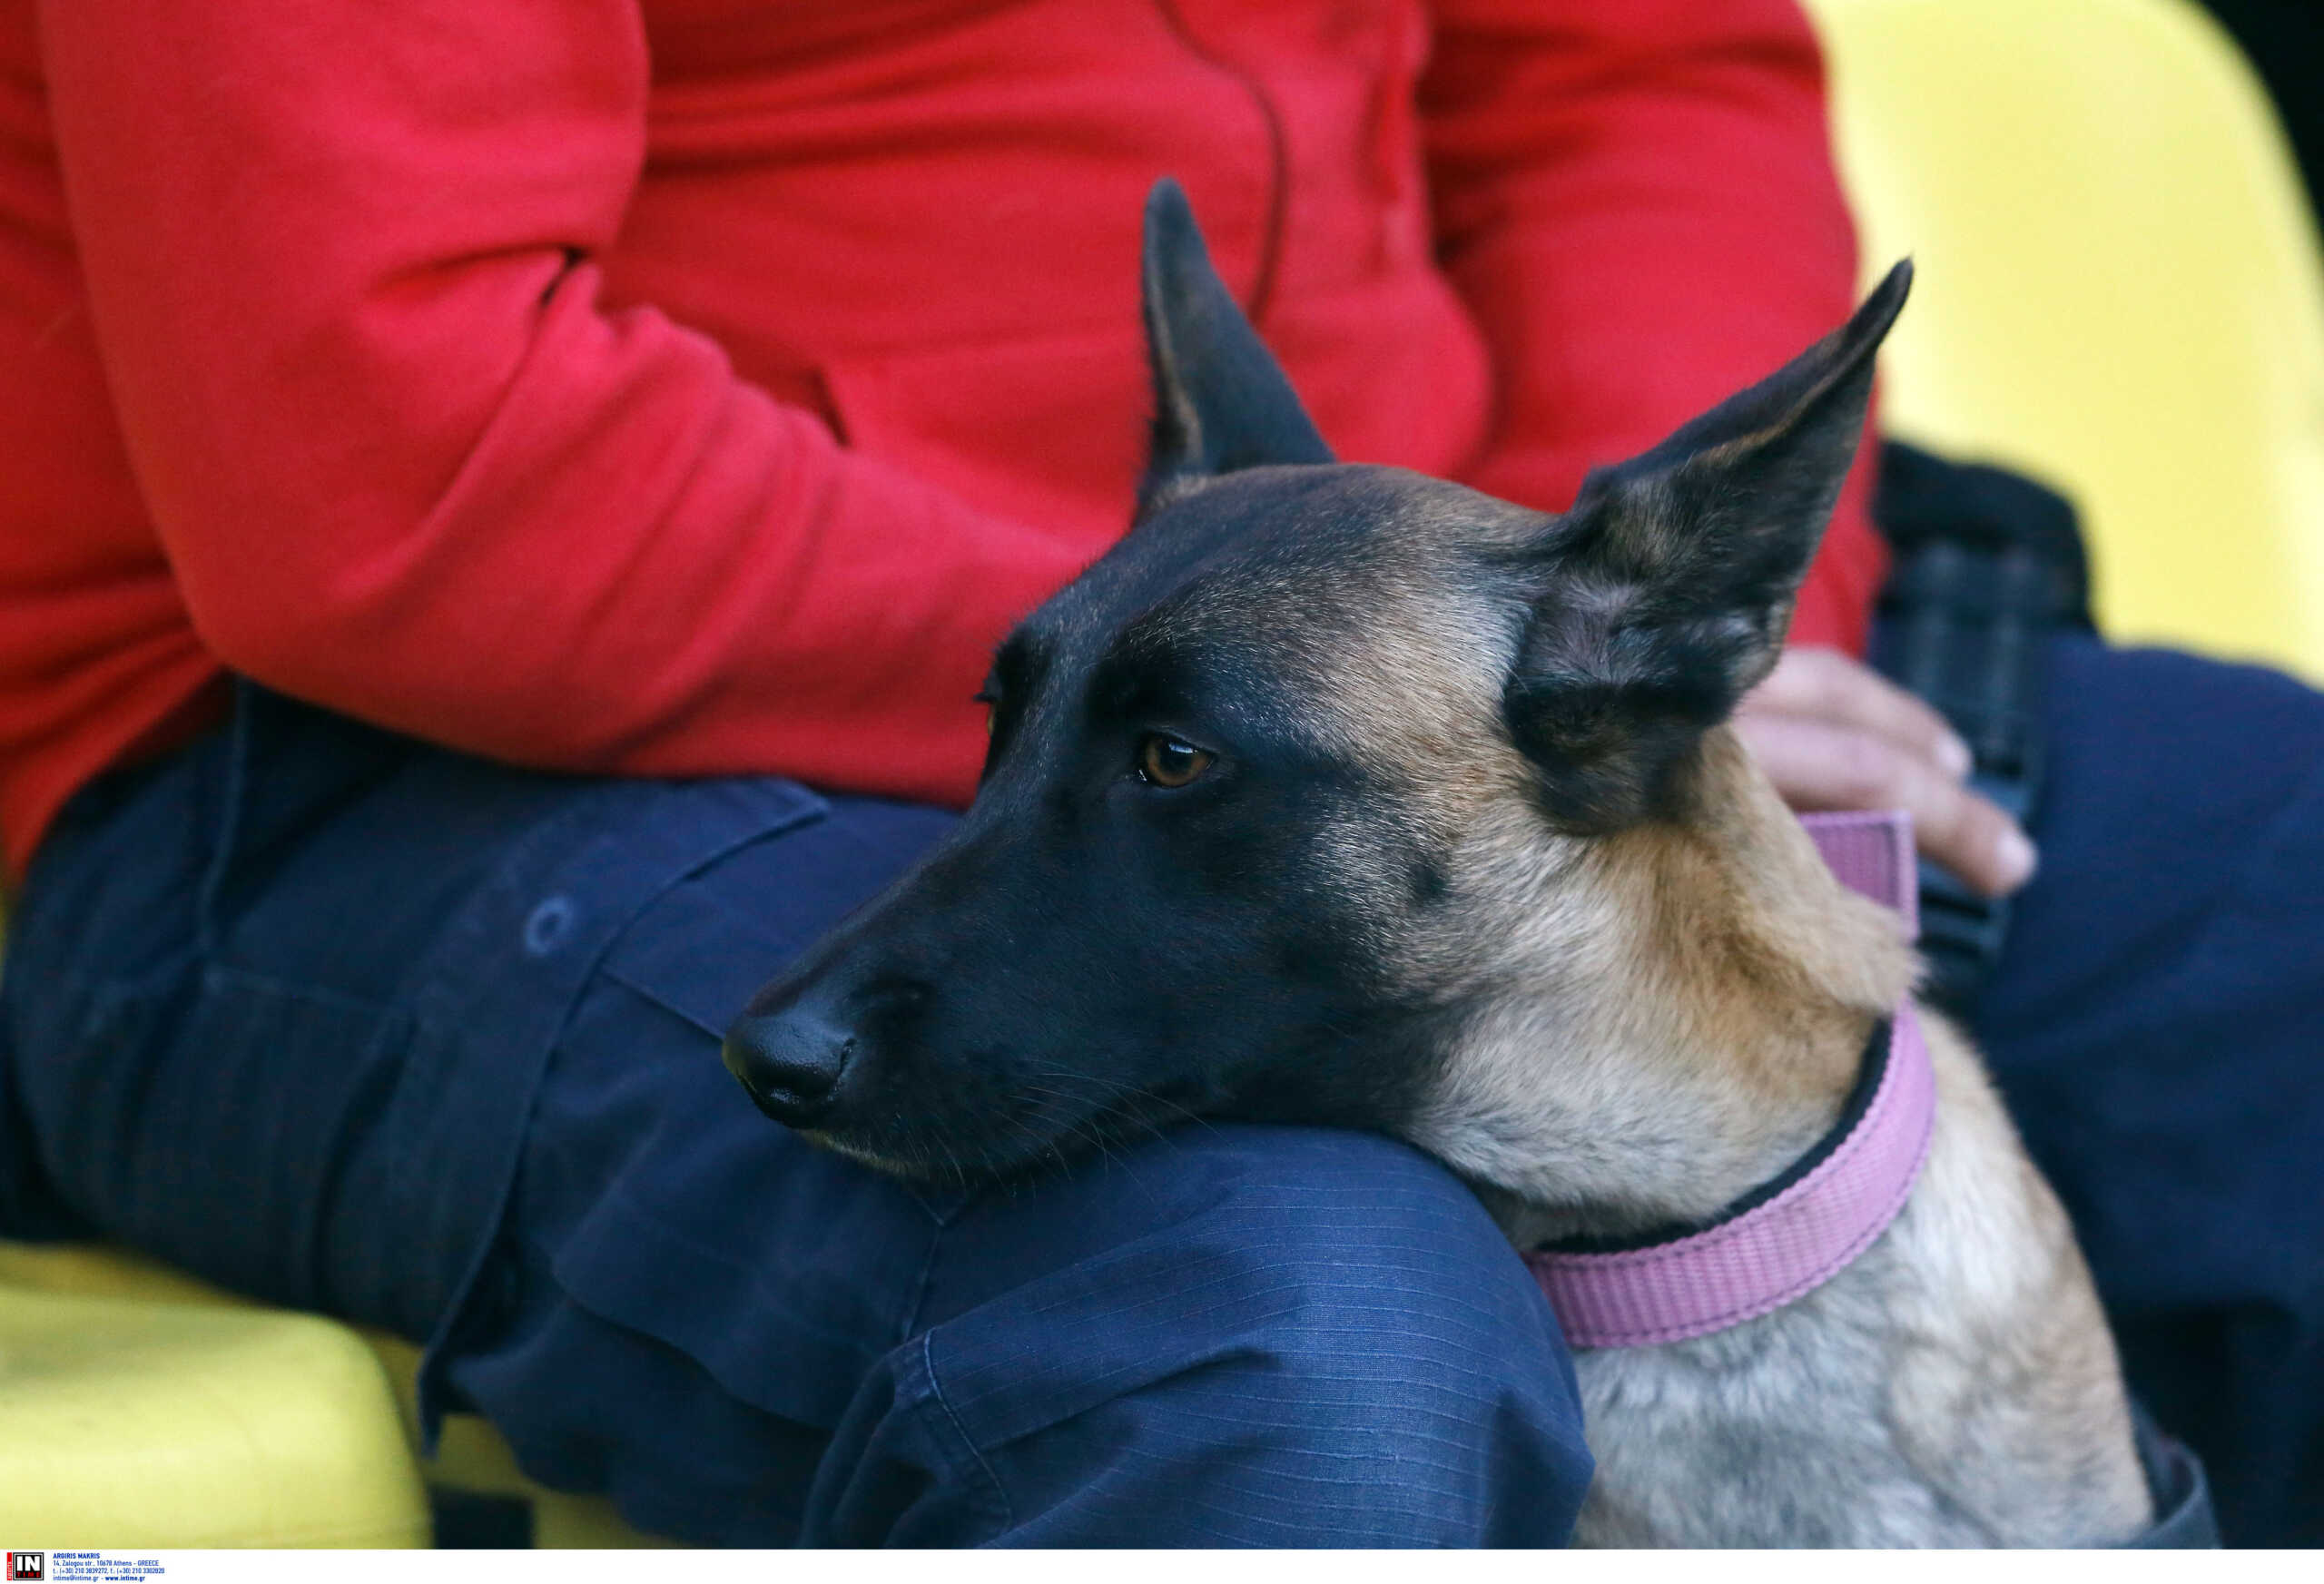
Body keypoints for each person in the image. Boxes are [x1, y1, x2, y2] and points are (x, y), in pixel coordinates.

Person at [0, 0, 2314, 1546]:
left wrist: (1576, 648)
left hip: (1399, 640)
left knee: (2277, 919)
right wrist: (1256, 678)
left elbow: (1625, 68)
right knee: (1283, 1325)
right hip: (376, 755)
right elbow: (394, 469)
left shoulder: (1496, 665)